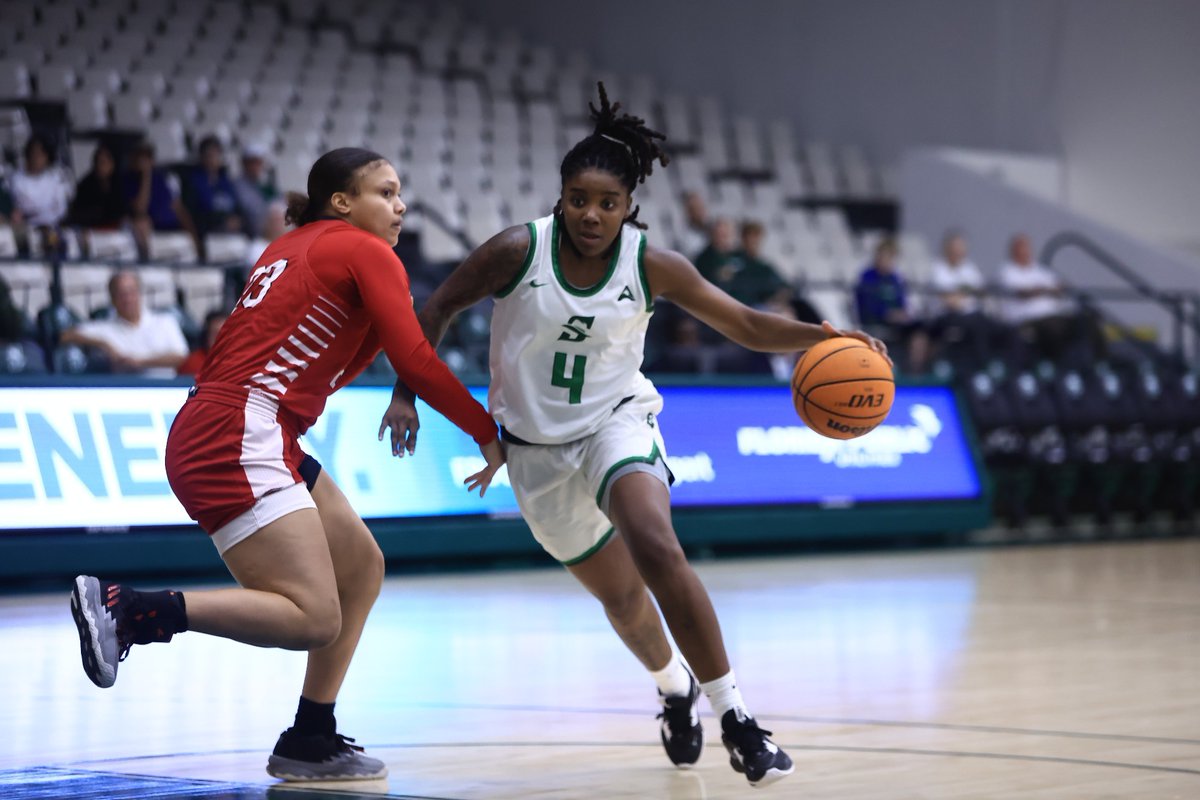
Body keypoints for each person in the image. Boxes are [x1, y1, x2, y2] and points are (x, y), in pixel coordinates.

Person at [378, 84, 888, 788]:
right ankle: (674, 689)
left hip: (616, 421)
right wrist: (406, 392)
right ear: (561, 197)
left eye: (607, 202)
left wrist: (826, 335)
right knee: (620, 600)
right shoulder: (514, 250)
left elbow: (742, 323)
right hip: (534, 448)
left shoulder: (651, 264)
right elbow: (431, 311)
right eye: (579, 198)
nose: (591, 214)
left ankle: (738, 719)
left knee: (655, 542)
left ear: (628, 207)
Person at [70, 148, 505, 782]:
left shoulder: (293, 245)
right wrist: (484, 432)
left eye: (400, 193)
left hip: (239, 427)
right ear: (342, 203)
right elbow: (411, 355)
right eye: (385, 192)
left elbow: (340, 363)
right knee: (315, 616)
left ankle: (310, 737)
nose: (400, 205)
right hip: (240, 431)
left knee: (360, 567)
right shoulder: (366, 252)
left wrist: (400, 385)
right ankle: (131, 609)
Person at [59, 269, 190, 377]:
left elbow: (180, 357)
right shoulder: (105, 328)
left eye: (131, 292)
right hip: (124, 397)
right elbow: (65, 336)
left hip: (165, 394)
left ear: (139, 293)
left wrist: (139, 362)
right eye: (121, 294)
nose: (127, 299)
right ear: (112, 299)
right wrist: (103, 344)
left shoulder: (164, 322)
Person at [997, 233, 1082, 364]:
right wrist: (1043, 290)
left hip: (1052, 316)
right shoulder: (1007, 271)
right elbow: (1022, 293)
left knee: (1085, 320)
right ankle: (1058, 364)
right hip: (1026, 319)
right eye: (1022, 248)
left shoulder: (1038, 270)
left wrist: (1044, 290)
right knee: (1054, 326)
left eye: (1027, 248)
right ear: (1014, 250)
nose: (1026, 251)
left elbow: (1059, 287)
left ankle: (1096, 365)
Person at [854, 237, 930, 374]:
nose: (887, 261)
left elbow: (902, 303)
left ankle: (915, 372)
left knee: (920, 331)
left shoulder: (895, 279)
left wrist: (902, 314)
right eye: (884, 256)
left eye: (890, 257)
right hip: (876, 321)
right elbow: (866, 307)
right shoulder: (867, 278)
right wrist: (887, 313)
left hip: (897, 323)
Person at [123, 140, 198, 260]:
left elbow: (176, 206)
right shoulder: (128, 180)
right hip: (149, 224)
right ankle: (149, 260)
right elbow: (140, 208)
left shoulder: (161, 178)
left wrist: (192, 232)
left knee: (188, 222)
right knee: (142, 223)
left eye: (147, 158)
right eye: (141, 158)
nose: (144, 162)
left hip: (169, 223)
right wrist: (146, 176)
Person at [9, 132, 72, 256]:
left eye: (40, 154)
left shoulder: (57, 178)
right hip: (23, 230)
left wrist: (42, 218)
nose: (35, 157)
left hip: (51, 228)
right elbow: (19, 209)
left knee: (59, 239)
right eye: (33, 153)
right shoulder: (16, 179)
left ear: (47, 157)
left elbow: (60, 210)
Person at [68, 142, 130, 232]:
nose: (99, 166)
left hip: (115, 230)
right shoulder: (85, 184)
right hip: (91, 229)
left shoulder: (120, 183)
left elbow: (123, 210)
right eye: (97, 162)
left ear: (112, 164)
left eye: (103, 162)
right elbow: (78, 212)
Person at [176, 308, 227, 376]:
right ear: (206, 335)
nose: (221, 339)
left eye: (225, 334)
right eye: (215, 334)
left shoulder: (241, 361)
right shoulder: (193, 362)